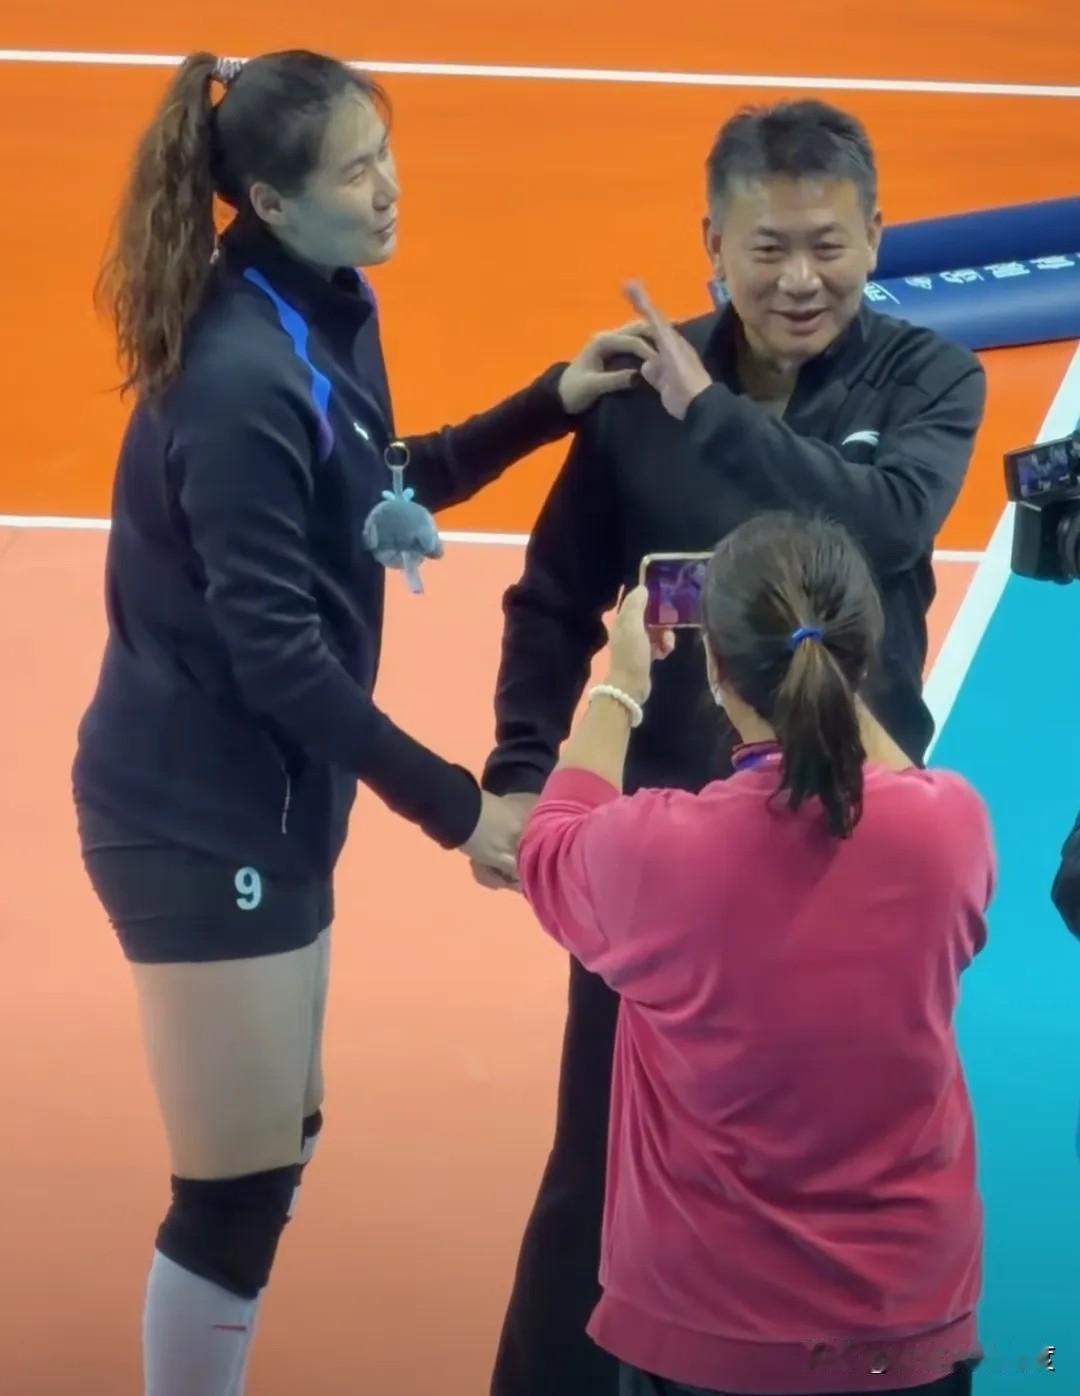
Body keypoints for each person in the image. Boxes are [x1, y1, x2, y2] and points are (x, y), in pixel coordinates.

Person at [71, 48, 648, 1396]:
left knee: (280, 1142)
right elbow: (278, 660)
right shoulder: (237, 383)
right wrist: (464, 809)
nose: (389, 188)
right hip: (198, 820)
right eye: (355, 172)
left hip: (269, 803)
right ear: (272, 201)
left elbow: (377, 482)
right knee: (235, 1190)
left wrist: (548, 402)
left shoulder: (317, 302)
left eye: (385, 153)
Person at [480, 99, 988, 1395]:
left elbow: (885, 522)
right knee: (597, 1160)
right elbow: (553, 597)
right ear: (712, 243)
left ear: (877, 237)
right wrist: (523, 767)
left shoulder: (932, 378)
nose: (800, 279)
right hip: (667, 866)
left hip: (857, 836)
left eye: (828, 245)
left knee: (852, 1147)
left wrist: (707, 409)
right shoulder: (631, 400)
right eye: (768, 249)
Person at [515, 512, 995, 1396]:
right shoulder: (951, 830)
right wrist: (841, 691)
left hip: (701, 1329)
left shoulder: (652, 853)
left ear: (716, 668)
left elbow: (548, 840)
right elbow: (902, 782)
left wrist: (620, 686)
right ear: (861, 654)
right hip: (909, 1326)